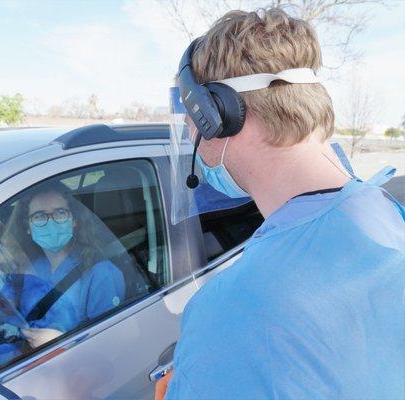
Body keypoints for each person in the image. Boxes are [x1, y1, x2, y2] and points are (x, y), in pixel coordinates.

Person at [163, 8, 404, 399]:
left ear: (218, 115)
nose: (192, 138)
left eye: (191, 124)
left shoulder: (231, 313)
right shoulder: (385, 211)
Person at [0, 181, 126, 369]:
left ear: (74, 220)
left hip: (71, 367)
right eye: (40, 216)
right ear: (28, 226)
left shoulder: (102, 273)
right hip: (26, 354)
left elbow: (113, 347)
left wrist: (65, 344)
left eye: (60, 212)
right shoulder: (27, 266)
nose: (51, 222)